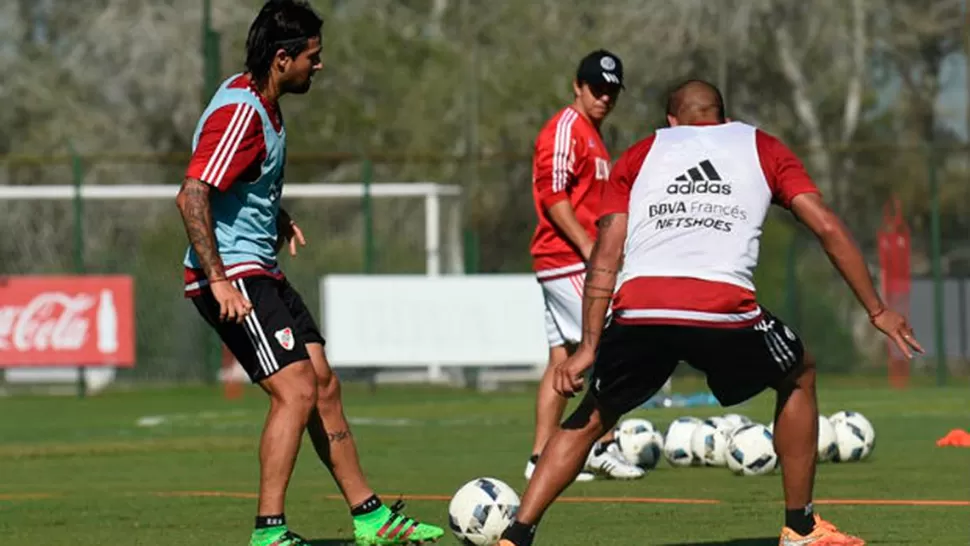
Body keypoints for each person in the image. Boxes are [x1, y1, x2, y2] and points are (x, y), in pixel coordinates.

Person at [500, 79, 923, 546]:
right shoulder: (761, 146)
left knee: (593, 414)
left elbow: (606, 254)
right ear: (722, 116)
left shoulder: (640, 154)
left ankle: (516, 536)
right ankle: (801, 528)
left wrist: (589, 348)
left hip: (640, 306)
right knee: (798, 373)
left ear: (672, 120)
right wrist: (877, 309)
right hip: (721, 309)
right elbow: (825, 226)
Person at [175, 2, 444, 545]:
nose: (318, 66)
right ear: (282, 59)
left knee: (323, 383)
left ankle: (371, 518)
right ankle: (269, 532)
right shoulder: (242, 112)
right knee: (295, 390)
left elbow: (236, 180)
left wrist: (275, 215)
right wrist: (220, 278)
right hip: (232, 278)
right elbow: (192, 195)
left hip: (260, 271)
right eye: (312, 57)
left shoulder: (264, 106)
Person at [526, 49, 644, 482]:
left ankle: (540, 456)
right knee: (610, 341)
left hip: (571, 259)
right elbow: (553, 197)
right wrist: (591, 249)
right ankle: (599, 445)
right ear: (577, 86)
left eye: (612, 91)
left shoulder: (592, 134)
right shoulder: (565, 130)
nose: (604, 98)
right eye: (597, 88)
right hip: (566, 260)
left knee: (562, 357)